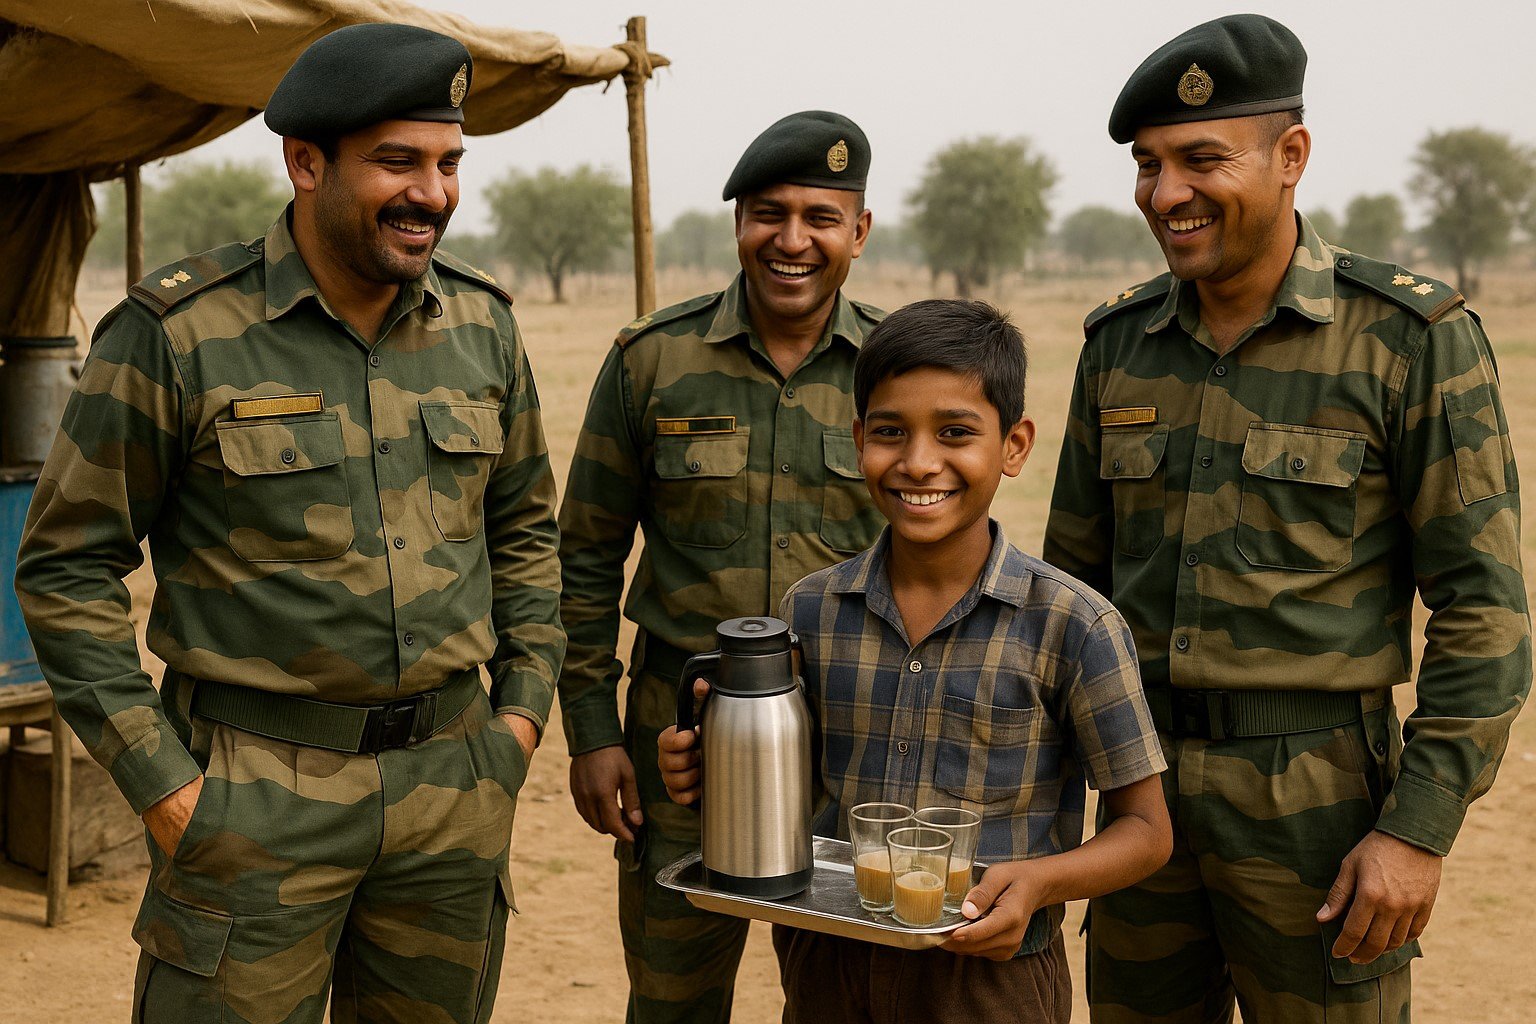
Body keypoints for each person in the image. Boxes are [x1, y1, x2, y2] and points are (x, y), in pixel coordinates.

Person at [14, 23, 563, 1022]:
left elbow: (525, 531)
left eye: (448, 164)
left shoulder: (484, 326)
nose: (433, 193)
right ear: (306, 163)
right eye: (397, 161)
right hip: (250, 798)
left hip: (452, 791)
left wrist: (517, 720)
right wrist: (166, 785)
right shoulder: (180, 333)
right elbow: (67, 567)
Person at [1043, 13, 1531, 1023]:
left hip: (1321, 810)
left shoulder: (1409, 339)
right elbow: (1069, 593)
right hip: (1141, 803)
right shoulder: (1119, 344)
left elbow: (1484, 609)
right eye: (1147, 165)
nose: (1165, 194)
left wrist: (1417, 828)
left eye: (1201, 159)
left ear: (1291, 156)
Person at [660, 299, 1173, 1023]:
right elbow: (789, 787)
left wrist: (1039, 883)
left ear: (1015, 446)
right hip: (829, 965)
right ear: (858, 440)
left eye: (955, 433)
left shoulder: (1073, 625)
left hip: (991, 979)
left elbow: (1147, 833)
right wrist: (710, 767)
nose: (919, 462)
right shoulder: (811, 610)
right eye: (890, 432)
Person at [556, 110, 886, 1023]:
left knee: (846, 996)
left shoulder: (898, 364)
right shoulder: (654, 360)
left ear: (860, 231)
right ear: (738, 221)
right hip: (684, 742)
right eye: (768, 214)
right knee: (673, 995)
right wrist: (592, 731)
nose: (792, 241)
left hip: (852, 741)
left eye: (821, 218)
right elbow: (584, 556)